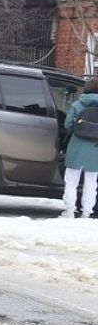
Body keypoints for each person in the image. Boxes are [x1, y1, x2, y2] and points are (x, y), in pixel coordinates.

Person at [61, 76, 98, 218]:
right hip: (95, 149)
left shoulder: (78, 104)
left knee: (71, 181)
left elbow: (68, 125)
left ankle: (70, 211)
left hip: (76, 146)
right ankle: (86, 213)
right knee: (91, 183)